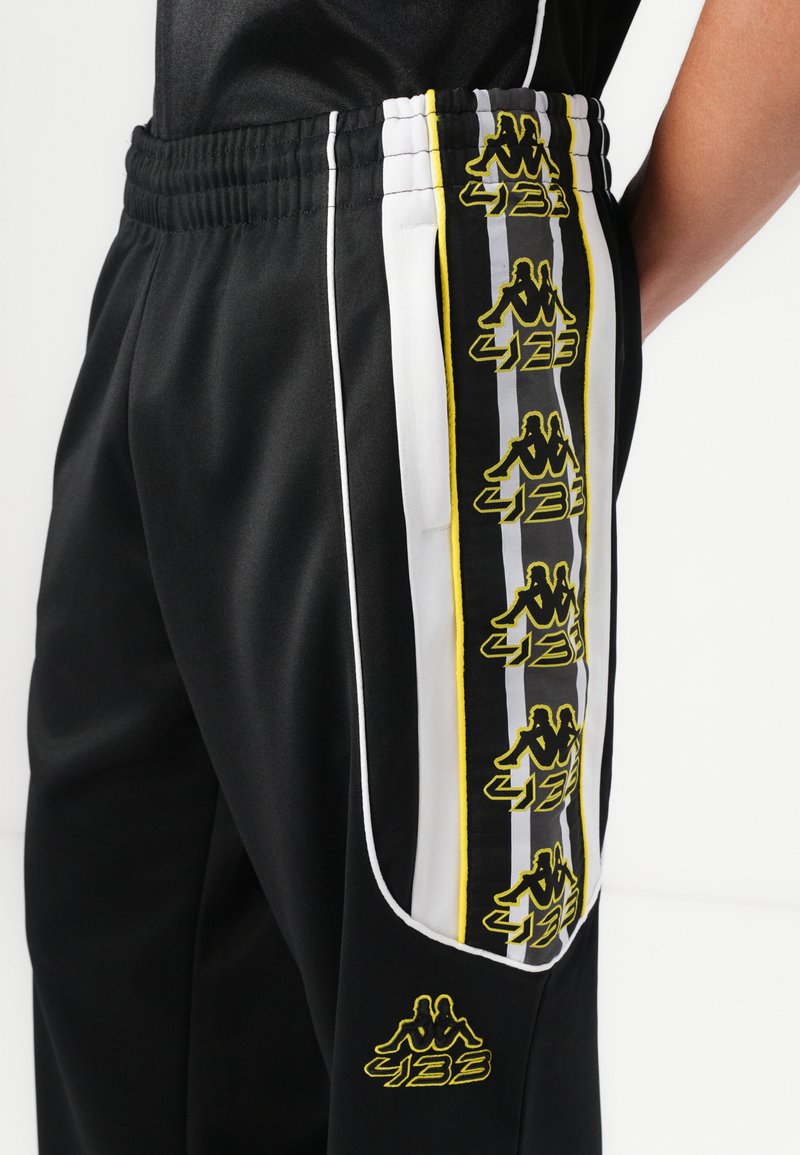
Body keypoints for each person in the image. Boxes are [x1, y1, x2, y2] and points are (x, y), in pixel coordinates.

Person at [23, 1, 800, 1152]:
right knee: (127, 1006)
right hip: (171, 227)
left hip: (425, 208)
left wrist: (566, 287)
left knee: (441, 1075)